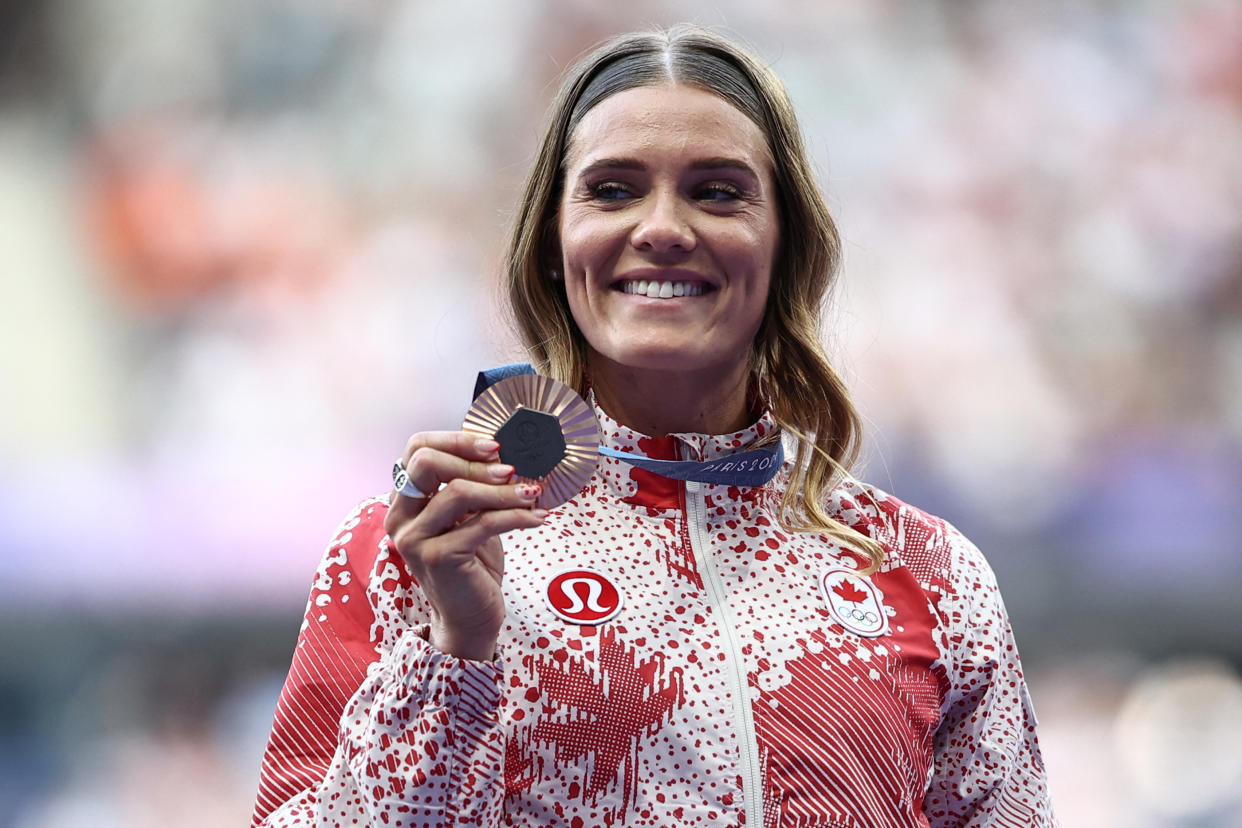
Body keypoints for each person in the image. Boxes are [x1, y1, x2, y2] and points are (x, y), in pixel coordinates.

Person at [251, 25, 1056, 828]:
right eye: (612, 190)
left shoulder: (930, 574)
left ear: (787, 245)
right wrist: (454, 651)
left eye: (717, 191)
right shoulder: (416, 551)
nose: (664, 227)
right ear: (552, 245)